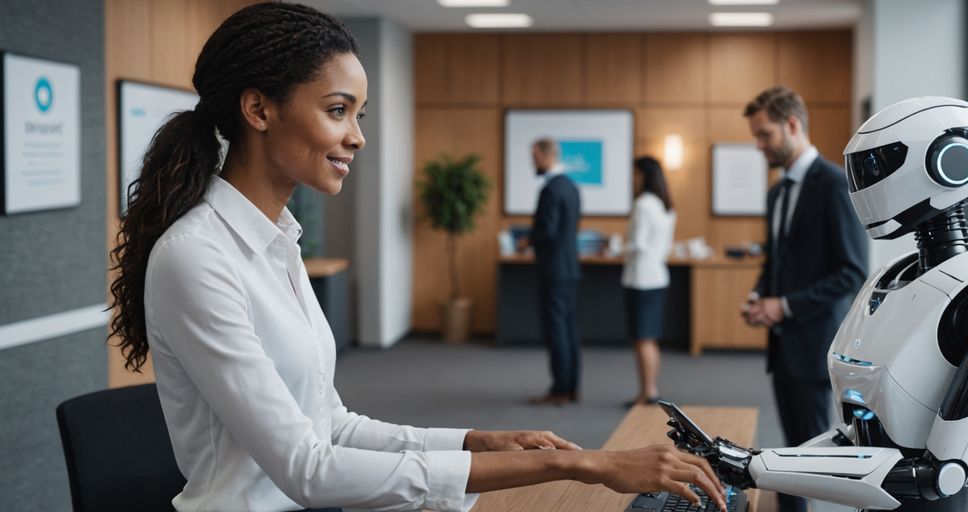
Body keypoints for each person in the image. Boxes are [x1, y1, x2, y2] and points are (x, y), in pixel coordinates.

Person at [107, 3, 727, 511]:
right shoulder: (197, 257)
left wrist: (474, 441)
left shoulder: (277, 244)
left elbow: (331, 425)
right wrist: (579, 463)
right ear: (259, 110)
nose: (357, 136)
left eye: (358, 114)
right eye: (337, 110)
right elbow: (308, 468)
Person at [740, 86, 868, 512]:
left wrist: (785, 305)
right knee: (789, 450)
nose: (759, 146)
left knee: (806, 458)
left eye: (765, 135)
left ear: (792, 125)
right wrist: (759, 296)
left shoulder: (833, 185)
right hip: (782, 346)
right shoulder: (777, 193)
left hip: (814, 344)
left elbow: (852, 271)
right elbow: (776, 261)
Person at [523, 138, 583, 406]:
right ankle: (572, 387)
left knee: (556, 330)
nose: (532, 161)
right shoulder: (571, 186)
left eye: (534, 156)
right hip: (569, 268)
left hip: (553, 270)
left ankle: (559, 390)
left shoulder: (550, 189)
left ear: (546, 156)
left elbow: (547, 231)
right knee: (569, 329)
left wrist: (528, 239)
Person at [622, 157, 676, 407]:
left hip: (640, 278)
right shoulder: (666, 205)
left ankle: (648, 392)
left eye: (635, 173)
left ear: (644, 175)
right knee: (649, 337)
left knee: (642, 338)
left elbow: (638, 243)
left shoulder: (643, 204)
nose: (632, 178)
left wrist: (617, 248)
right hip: (657, 275)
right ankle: (649, 389)